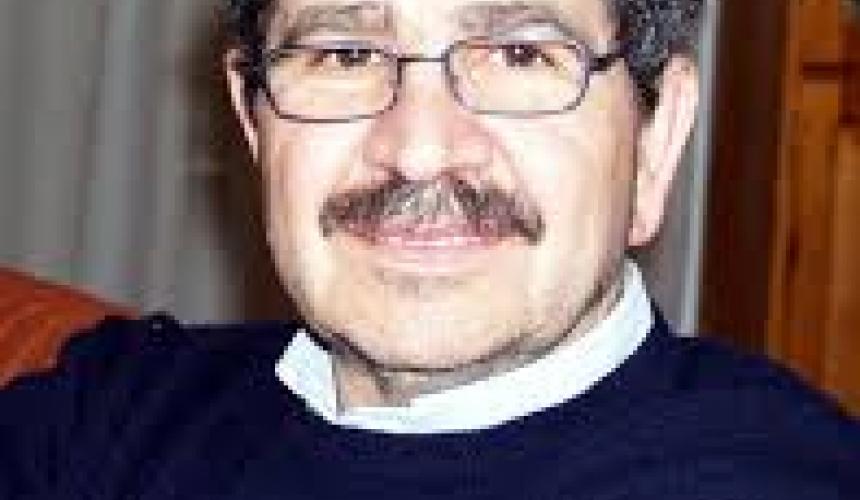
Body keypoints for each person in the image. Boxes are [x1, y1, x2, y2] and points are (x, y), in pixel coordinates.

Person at [1, 0, 858, 498]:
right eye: (346, 53)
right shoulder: (109, 414)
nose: (418, 149)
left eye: (520, 54)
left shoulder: (770, 476)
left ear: (656, 139)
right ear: (253, 124)